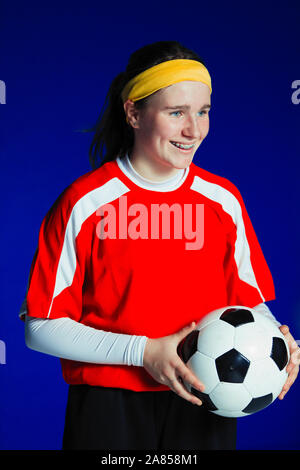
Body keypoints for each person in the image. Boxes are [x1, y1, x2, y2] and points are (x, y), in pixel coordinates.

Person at [20, 40, 300, 451]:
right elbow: (41, 327)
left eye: (202, 111)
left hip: (206, 399)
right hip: (109, 405)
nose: (194, 129)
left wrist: (279, 343)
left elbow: (248, 303)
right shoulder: (86, 202)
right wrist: (144, 352)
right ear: (134, 113)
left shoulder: (223, 200)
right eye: (176, 113)